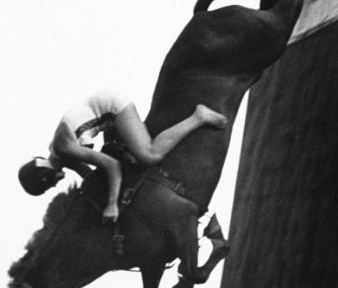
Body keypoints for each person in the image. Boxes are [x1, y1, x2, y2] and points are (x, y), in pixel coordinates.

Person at [18, 89, 227, 222]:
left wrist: (111, 204)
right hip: (104, 121)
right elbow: (91, 178)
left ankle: (199, 117)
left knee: (150, 156)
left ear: (44, 176)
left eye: (49, 185)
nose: (54, 185)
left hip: (112, 108)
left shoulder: (63, 149)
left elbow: (111, 167)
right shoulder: (62, 155)